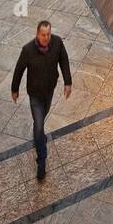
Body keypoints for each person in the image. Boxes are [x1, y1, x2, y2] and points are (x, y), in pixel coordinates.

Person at [11, 20, 73, 181]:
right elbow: (19, 69)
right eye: (43, 35)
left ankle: (38, 134)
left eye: (48, 34)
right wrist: (14, 89)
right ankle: (42, 161)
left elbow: (64, 60)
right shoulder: (28, 50)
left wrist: (67, 82)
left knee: (41, 120)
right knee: (39, 125)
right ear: (37, 34)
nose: (46, 38)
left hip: (49, 90)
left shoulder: (57, 43)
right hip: (35, 94)